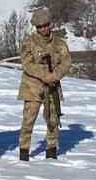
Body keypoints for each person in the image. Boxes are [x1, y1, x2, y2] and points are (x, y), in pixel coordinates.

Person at [17, 9, 71, 161]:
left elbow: (66, 62)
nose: (44, 29)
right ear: (36, 27)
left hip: (52, 86)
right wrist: (44, 75)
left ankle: (52, 150)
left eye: (46, 25)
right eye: (40, 26)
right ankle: (24, 151)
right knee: (28, 120)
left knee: (53, 120)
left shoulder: (59, 43)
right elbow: (27, 63)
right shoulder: (29, 42)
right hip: (32, 87)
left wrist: (55, 75)